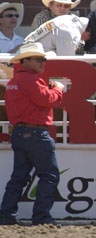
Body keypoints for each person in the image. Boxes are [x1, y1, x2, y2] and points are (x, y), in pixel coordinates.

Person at [0, 42, 64, 226]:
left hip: (20, 133)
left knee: (19, 177)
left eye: (43, 59)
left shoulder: (14, 82)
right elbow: (47, 99)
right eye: (39, 59)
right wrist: (58, 89)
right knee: (50, 175)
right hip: (36, 134)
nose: (43, 62)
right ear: (25, 61)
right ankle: (41, 216)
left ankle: (7, 214)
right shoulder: (30, 80)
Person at [25, 14, 96, 55]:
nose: (83, 41)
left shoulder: (67, 19)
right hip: (30, 59)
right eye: (88, 40)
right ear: (89, 34)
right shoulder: (72, 33)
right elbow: (65, 62)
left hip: (25, 51)